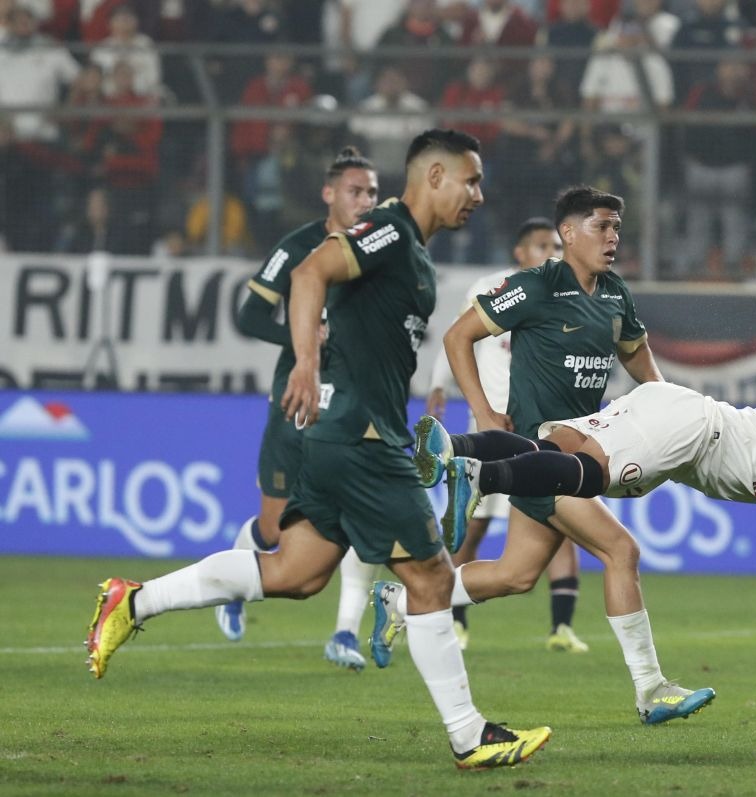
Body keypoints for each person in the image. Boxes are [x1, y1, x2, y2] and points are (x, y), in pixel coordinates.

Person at [84, 129, 551, 770]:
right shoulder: (389, 230)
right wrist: (305, 363)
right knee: (434, 577)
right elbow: (311, 270)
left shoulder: (413, 252)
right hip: (362, 440)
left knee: (295, 573)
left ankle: (132, 601)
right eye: (470, 180)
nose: (479, 193)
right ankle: (471, 736)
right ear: (434, 176)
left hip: (343, 438)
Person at [371, 186, 717, 727]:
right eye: (602, 226)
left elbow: (644, 367)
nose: (612, 237)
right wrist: (486, 416)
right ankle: (651, 688)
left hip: (582, 452)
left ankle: (400, 601)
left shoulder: (615, 295)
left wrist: (676, 418)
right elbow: (459, 338)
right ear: (569, 233)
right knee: (621, 551)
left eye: (617, 228)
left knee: (516, 575)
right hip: (540, 453)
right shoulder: (535, 287)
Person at [419, 383, 756, 657]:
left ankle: (450, 446)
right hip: (692, 428)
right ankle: (480, 478)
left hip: (674, 418)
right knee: (588, 476)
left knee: (549, 446)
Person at [216, 145, 383, 671]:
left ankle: (344, 634)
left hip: (356, 404)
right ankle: (232, 584)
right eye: (356, 191)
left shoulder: (380, 248)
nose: (366, 201)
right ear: (329, 194)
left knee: (364, 512)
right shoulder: (299, 246)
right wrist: (305, 335)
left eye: (373, 192)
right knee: (273, 530)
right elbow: (249, 315)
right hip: (297, 399)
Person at [424, 218, 589, 653]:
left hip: (542, 428)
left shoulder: (567, 292)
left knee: (562, 518)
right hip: (495, 427)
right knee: (474, 528)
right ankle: (450, 618)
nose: (550, 252)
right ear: (520, 252)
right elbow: (458, 336)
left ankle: (562, 628)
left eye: (556, 245)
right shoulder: (492, 286)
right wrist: (439, 384)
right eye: (541, 245)